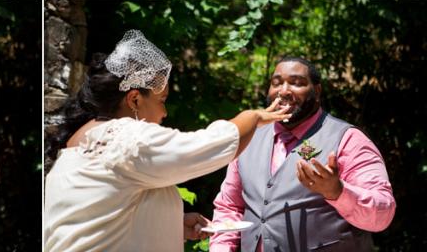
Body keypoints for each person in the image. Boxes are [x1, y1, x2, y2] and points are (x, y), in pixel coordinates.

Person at [44, 30, 291, 252]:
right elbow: (211, 145)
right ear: (134, 100)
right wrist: (253, 117)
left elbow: (103, 216)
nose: (165, 113)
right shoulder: (127, 138)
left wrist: (174, 224)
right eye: (162, 100)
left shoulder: (80, 140)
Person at [209, 56, 396, 252]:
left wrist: (338, 192)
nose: (284, 91)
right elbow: (229, 207)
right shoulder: (249, 138)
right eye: (276, 83)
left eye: (297, 83)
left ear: (317, 91)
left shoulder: (348, 139)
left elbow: (383, 215)